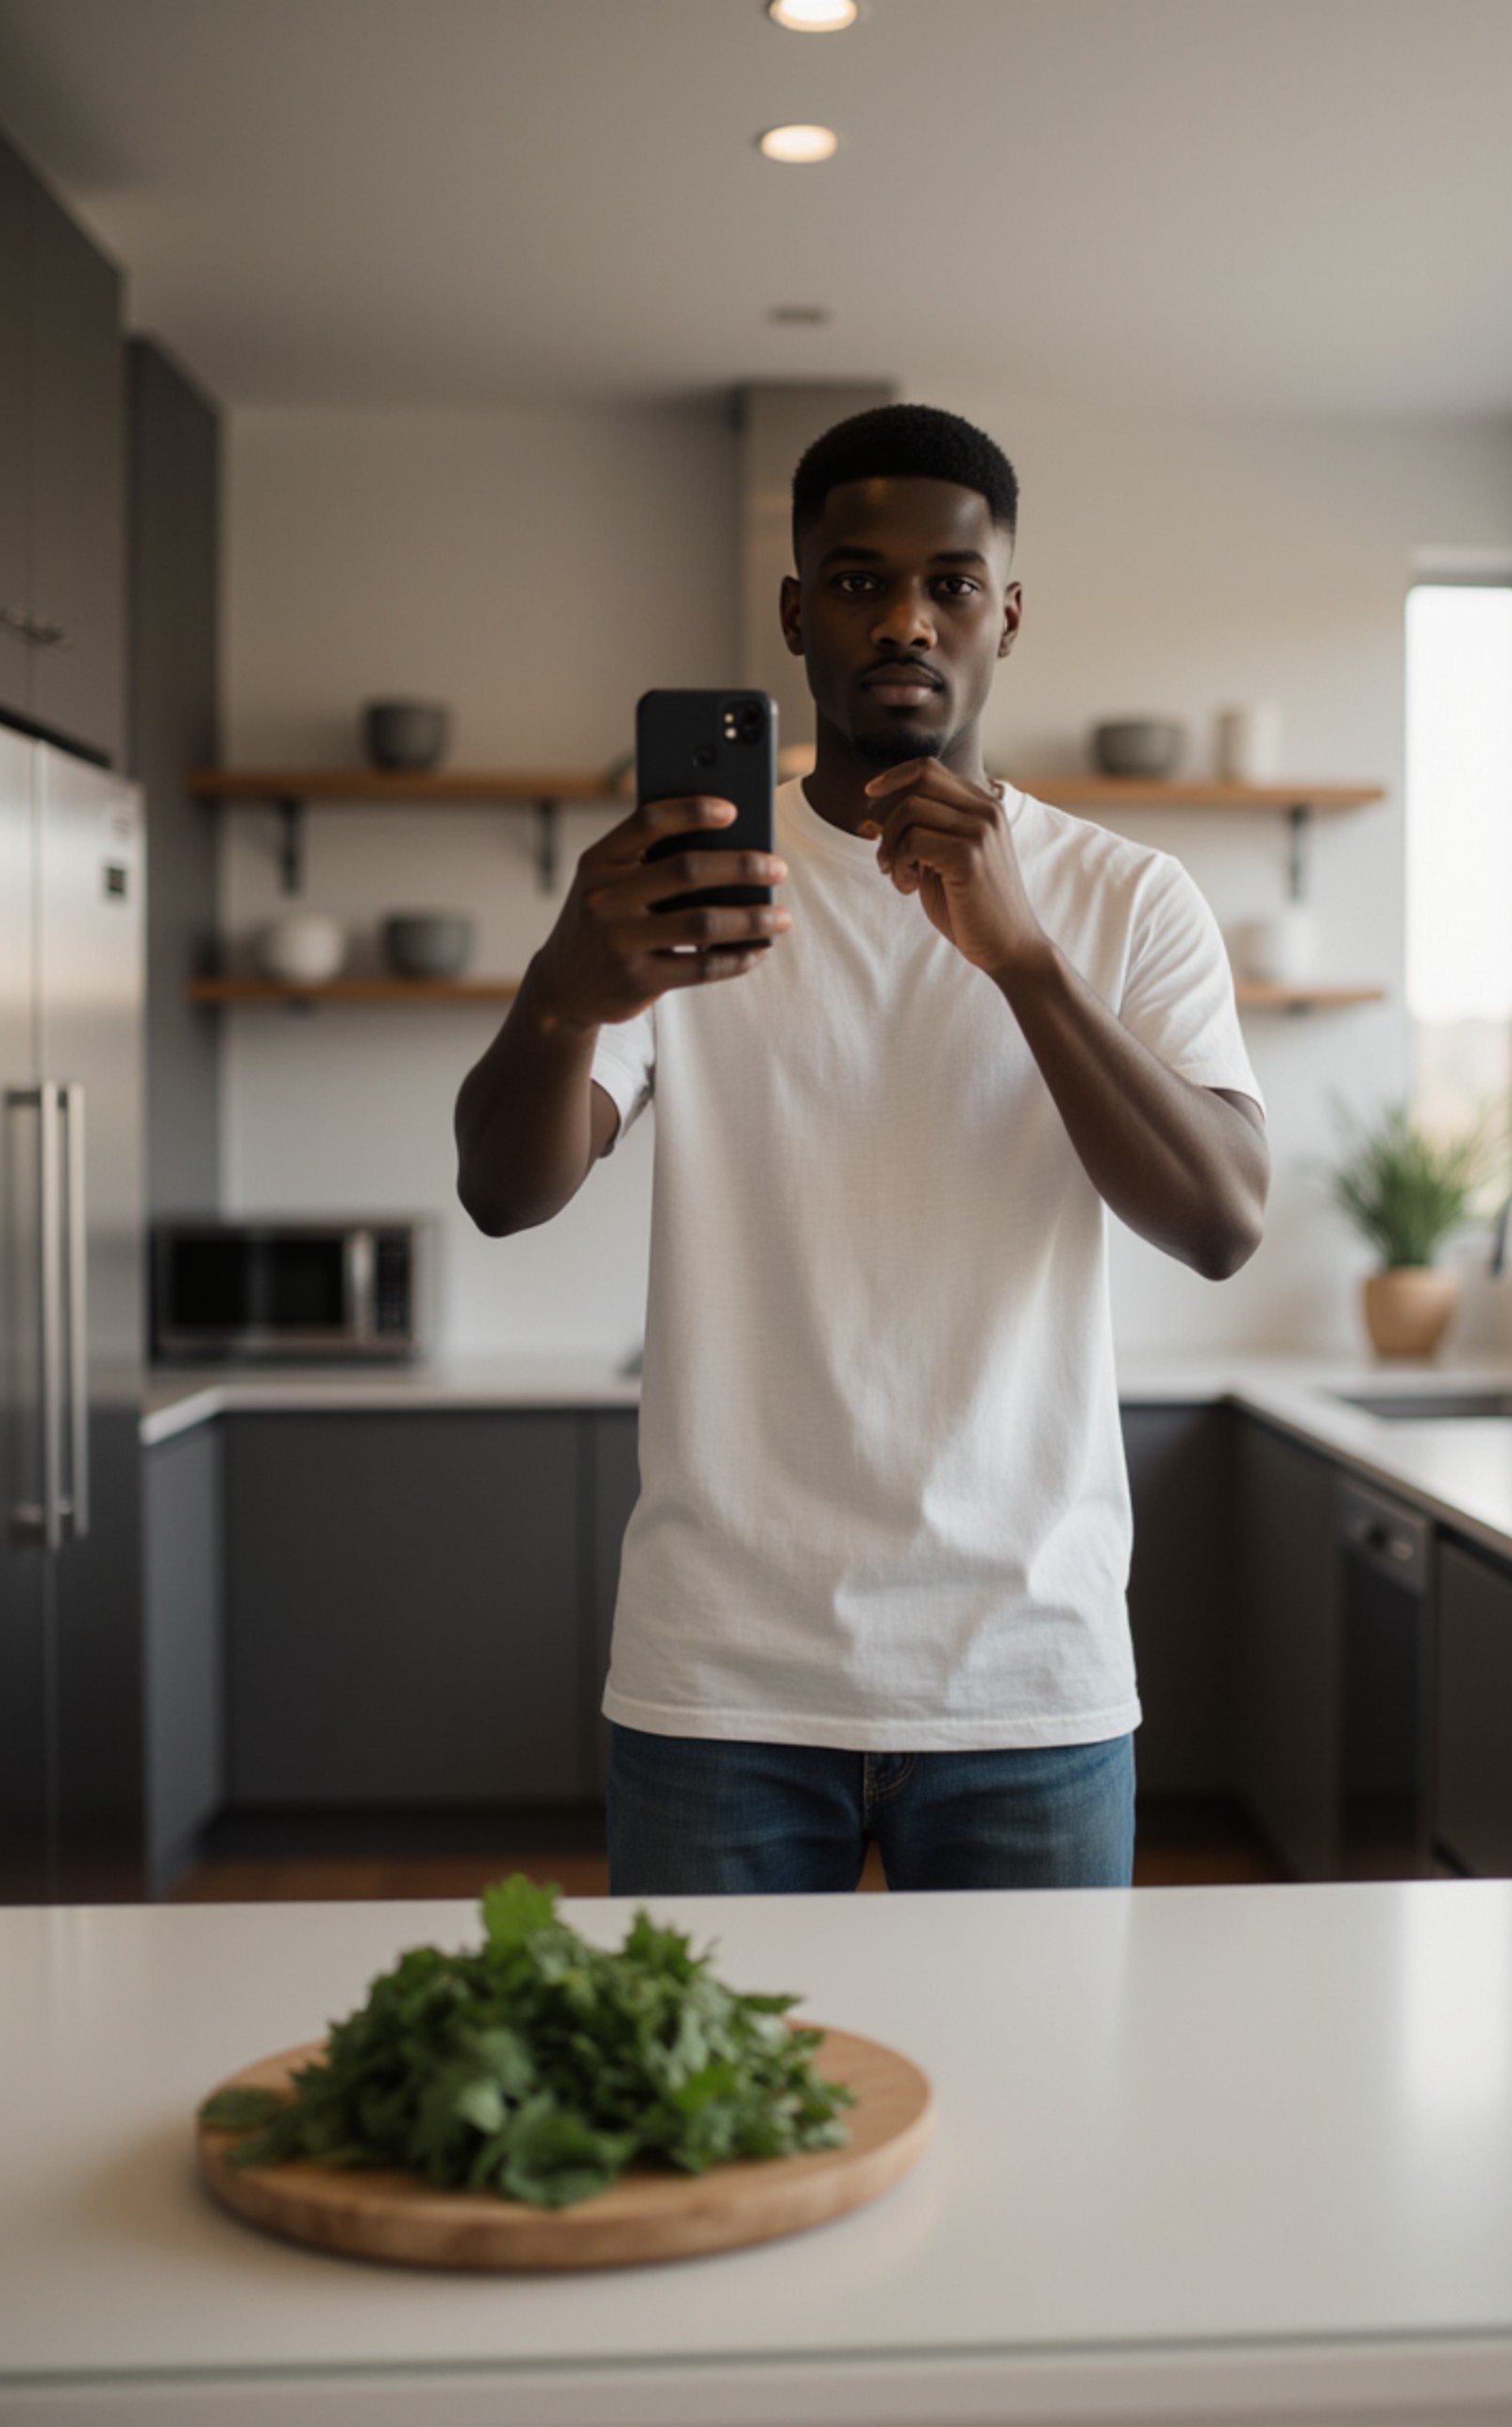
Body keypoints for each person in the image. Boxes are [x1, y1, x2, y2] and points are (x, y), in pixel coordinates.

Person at [455, 403, 1269, 1894]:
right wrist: (566, 990)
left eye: (952, 583)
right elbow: (507, 1191)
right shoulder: (685, 889)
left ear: (1006, 615)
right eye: (855, 579)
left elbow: (1223, 1220)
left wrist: (1023, 957)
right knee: (708, 2134)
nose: (906, 617)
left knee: (1052, 2113)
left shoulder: (1125, 899)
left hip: (1027, 1676)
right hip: (724, 1681)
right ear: (794, 611)